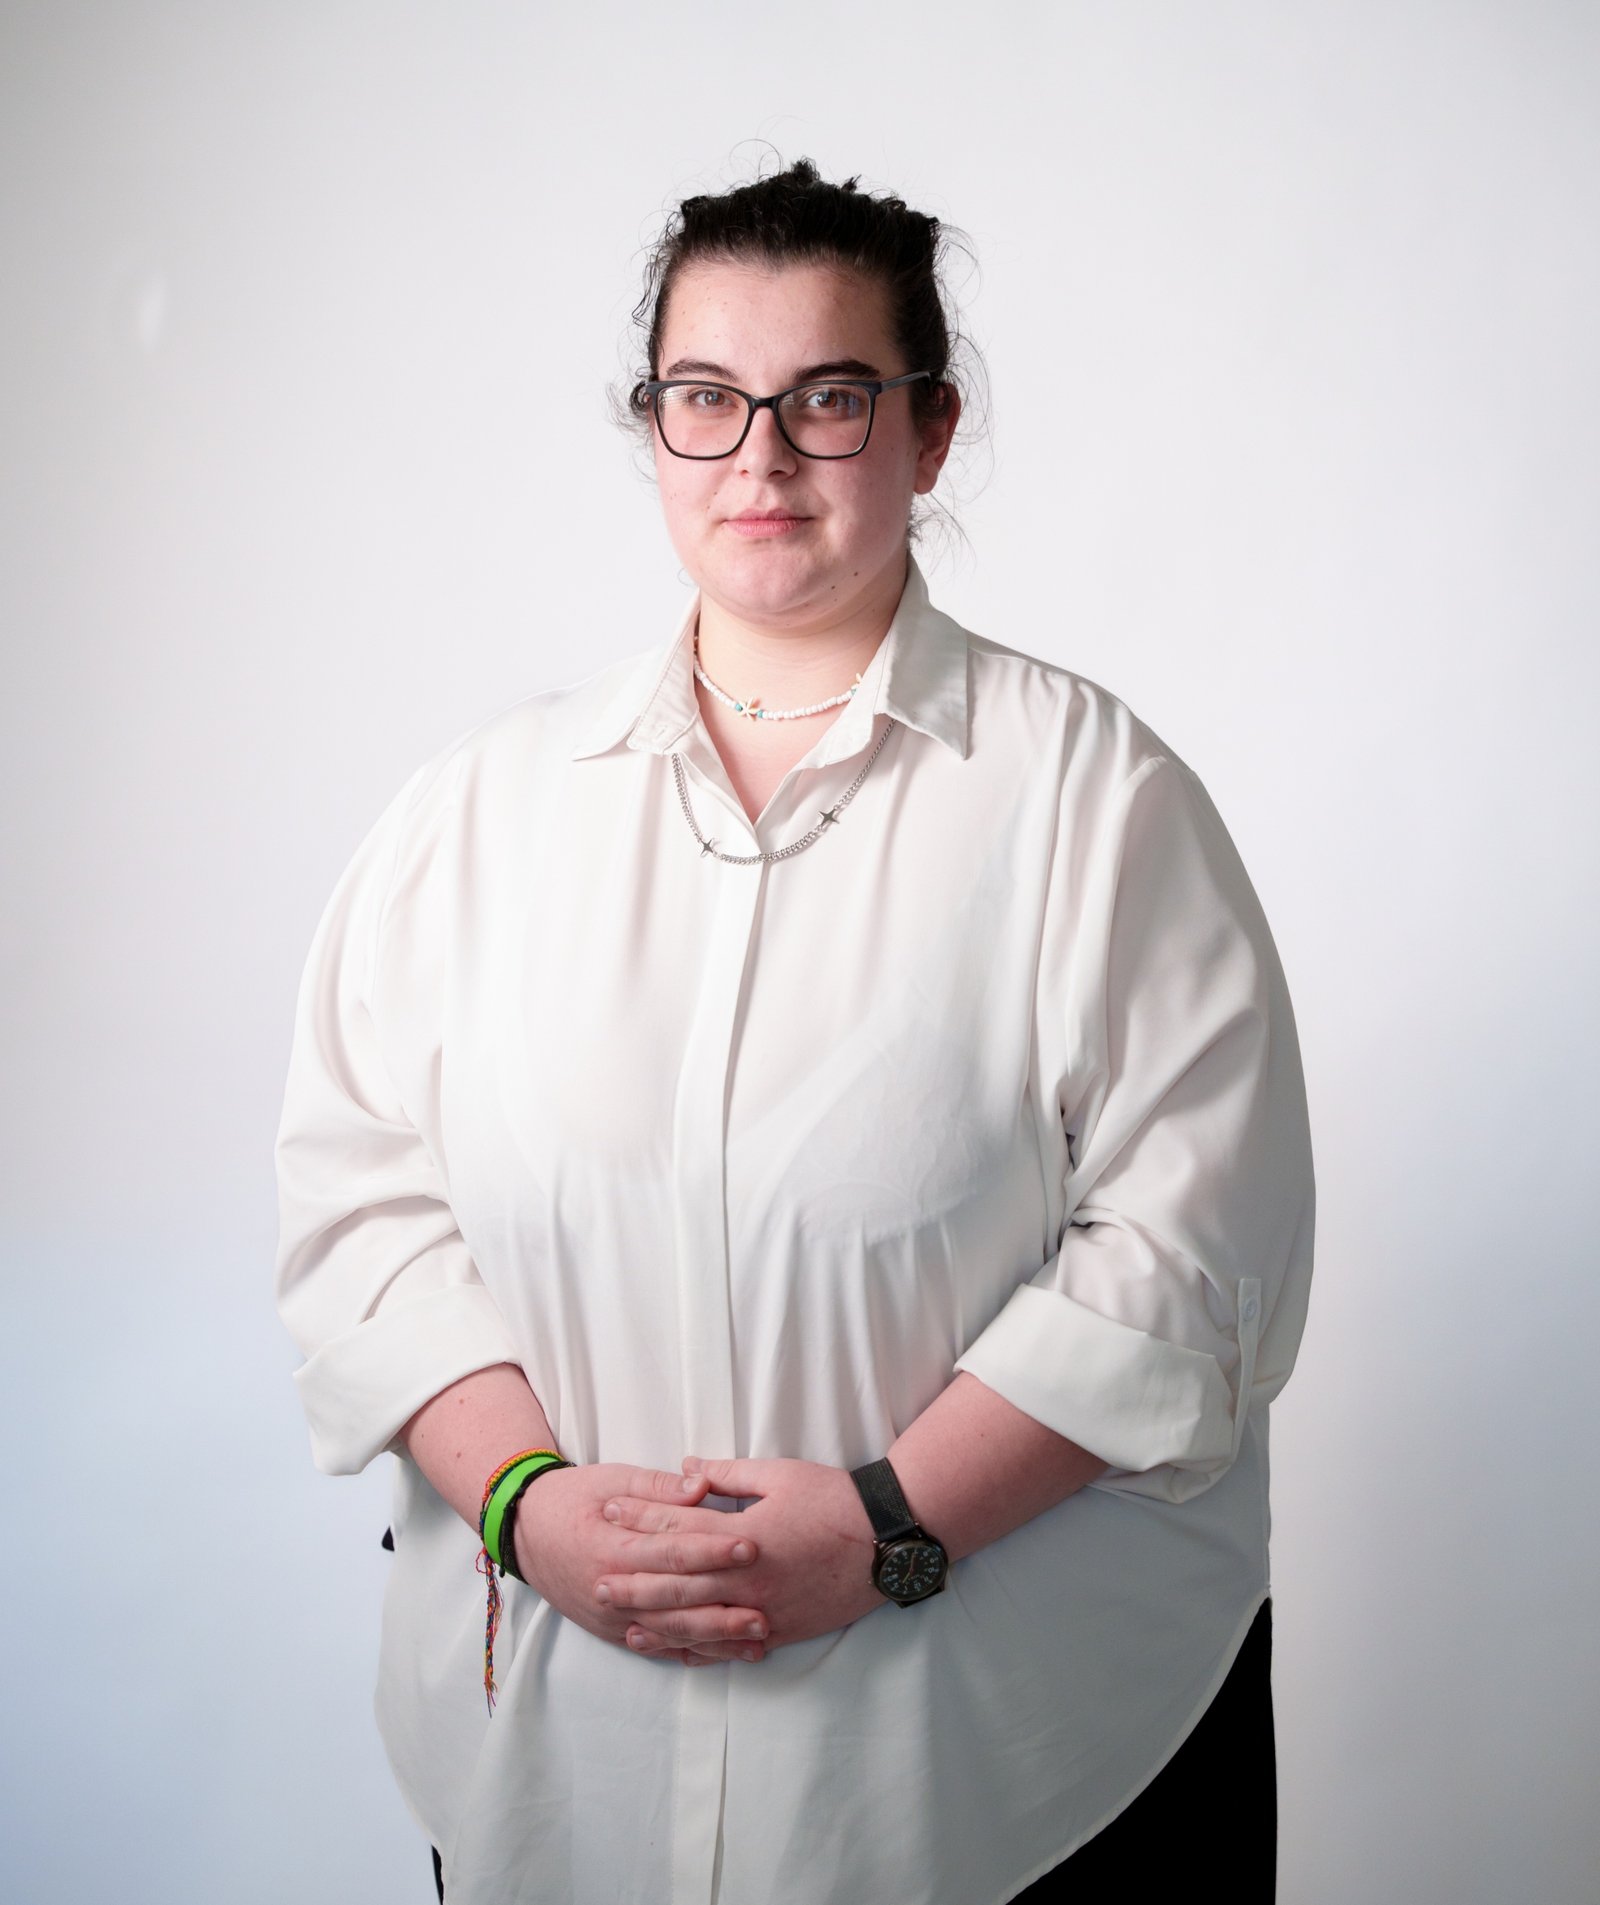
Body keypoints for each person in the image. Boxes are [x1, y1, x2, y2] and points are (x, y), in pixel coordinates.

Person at [273, 158, 1314, 1905]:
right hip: (568, 1766)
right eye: (705, 397)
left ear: (931, 428)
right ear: (655, 426)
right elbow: (363, 1210)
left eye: (827, 398)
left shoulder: (1099, 802)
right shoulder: (478, 815)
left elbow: (1195, 1256)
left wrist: (888, 1528)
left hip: (1017, 1770)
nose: (758, 458)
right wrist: (525, 1505)